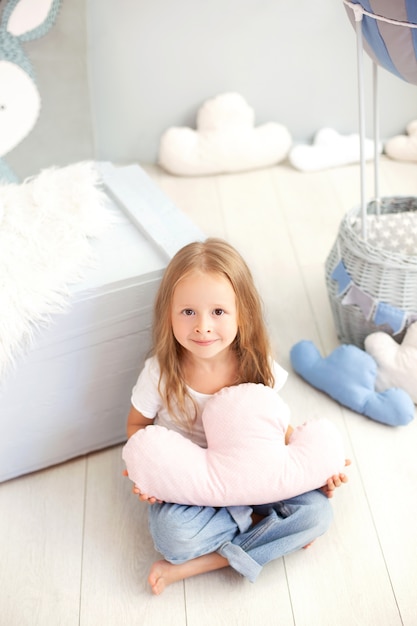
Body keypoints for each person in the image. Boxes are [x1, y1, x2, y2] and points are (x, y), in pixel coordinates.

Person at [125, 237, 349, 595]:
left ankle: (212, 560)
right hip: (194, 486)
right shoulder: (160, 373)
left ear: (241, 312)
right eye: (188, 312)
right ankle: (264, 527)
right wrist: (144, 473)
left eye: (217, 312)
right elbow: (137, 425)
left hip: (256, 473)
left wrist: (315, 468)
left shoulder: (257, 364)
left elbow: (278, 428)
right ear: (168, 312)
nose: (202, 326)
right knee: (172, 536)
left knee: (317, 514)